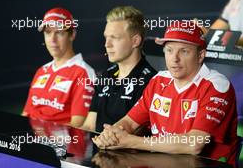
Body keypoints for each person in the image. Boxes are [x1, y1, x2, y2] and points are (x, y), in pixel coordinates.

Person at [92, 20, 239, 166]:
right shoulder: (158, 80)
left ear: (200, 55)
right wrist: (111, 134)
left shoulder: (217, 85)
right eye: (169, 50)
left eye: (184, 51)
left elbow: (194, 144)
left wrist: (132, 142)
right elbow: (129, 122)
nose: (174, 58)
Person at [81, 6, 157, 132]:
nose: (107, 44)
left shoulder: (151, 81)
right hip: (98, 150)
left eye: (114, 37)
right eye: (106, 37)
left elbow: (136, 134)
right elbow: (90, 125)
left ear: (135, 41)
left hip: (127, 151)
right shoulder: (106, 76)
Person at [22, 7, 95, 127]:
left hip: (57, 144)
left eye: (59, 32)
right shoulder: (41, 71)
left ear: (72, 35)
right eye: (48, 32)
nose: (52, 40)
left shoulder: (83, 73)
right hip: (29, 139)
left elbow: (77, 126)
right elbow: (26, 114)